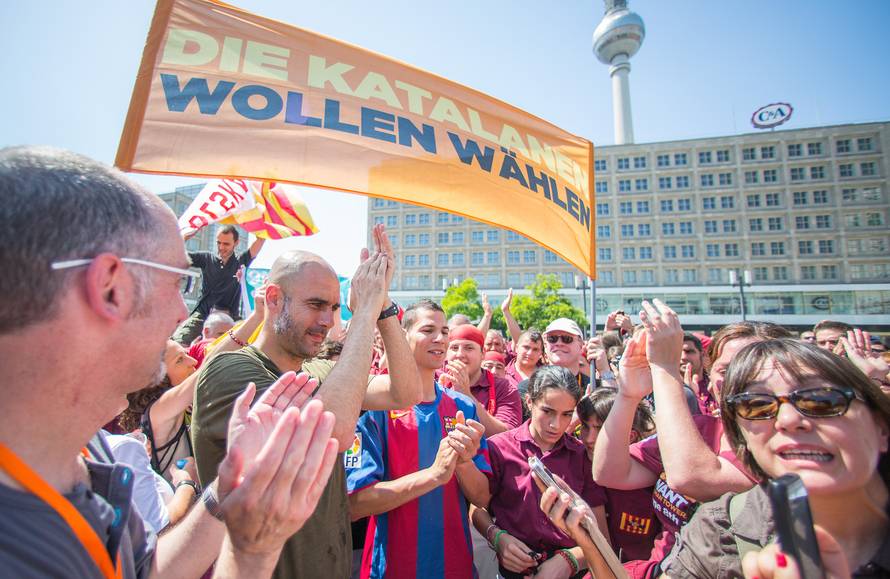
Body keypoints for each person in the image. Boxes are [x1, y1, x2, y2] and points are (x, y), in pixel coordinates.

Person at [0, 146, 339, 579]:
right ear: (110, 288)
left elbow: (148, 571)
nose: (184, 312)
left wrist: (230, 502)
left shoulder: (89, 446)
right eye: (178, 282)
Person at [191, 223, 423, 579]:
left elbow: (405, 392)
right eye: (316, 305)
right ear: (273, 299)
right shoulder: (228, 369)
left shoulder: (320, 370)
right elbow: (334, 431)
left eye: (333, 307)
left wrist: (382, 305)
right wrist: (362, 314)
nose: (328, 321)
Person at [592, 301, 790, 577]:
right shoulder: (699, 428)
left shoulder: (783, 446)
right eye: (724, 369)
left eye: (750, 367)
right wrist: (628, 394)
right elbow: (609, 472)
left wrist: (664, 368)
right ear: (711, 377)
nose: (734, 378)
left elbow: (690, 477)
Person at [662, 339, 890, 578]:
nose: (788, 419)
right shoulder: (720, 530)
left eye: (822, 400)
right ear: (742, 440)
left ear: (880, 426)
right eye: (757, 405)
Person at [347, 300, 491, 578]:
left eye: (445, 331)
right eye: (428, 330)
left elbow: (482, 496)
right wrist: (434, 475)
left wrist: (463, 463)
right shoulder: (373, 408)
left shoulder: (464, 407)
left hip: (455, 567)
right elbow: (356, 505)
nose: (440, 338)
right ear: (403, 337)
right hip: (391, 568)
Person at [472, 365, 609, 578]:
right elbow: (477, 508)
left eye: (566, 415)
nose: (556, 425)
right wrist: (498, 538)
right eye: (547, 411)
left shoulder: (582, 457)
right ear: (529, 402)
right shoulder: (499, 447)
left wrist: (571, 559)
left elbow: (601, 536)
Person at [576, 389, 659, 563]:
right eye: (584, 426)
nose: (589, 439)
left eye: (601, 429)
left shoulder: (655, 478)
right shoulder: (576, 462)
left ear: (630, 436)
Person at [173, 224, 265, 345]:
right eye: (219, 243)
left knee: (249, 343)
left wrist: (252, 219)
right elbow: (177, 257)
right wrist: (183, 238)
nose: (221, 247)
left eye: (226, 244)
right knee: (179, 341)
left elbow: (261, 239)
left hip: (230, 317)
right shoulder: (206, 258)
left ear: (236, 243)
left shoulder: (240, 261)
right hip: (203, 314)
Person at [441, 324, 523, 435]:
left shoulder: (505, 388)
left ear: (482, 354)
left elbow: (508, 436)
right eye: (454, 348)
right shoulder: (436, 382)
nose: (460, 354)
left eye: (469, 348)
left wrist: (466, 395)